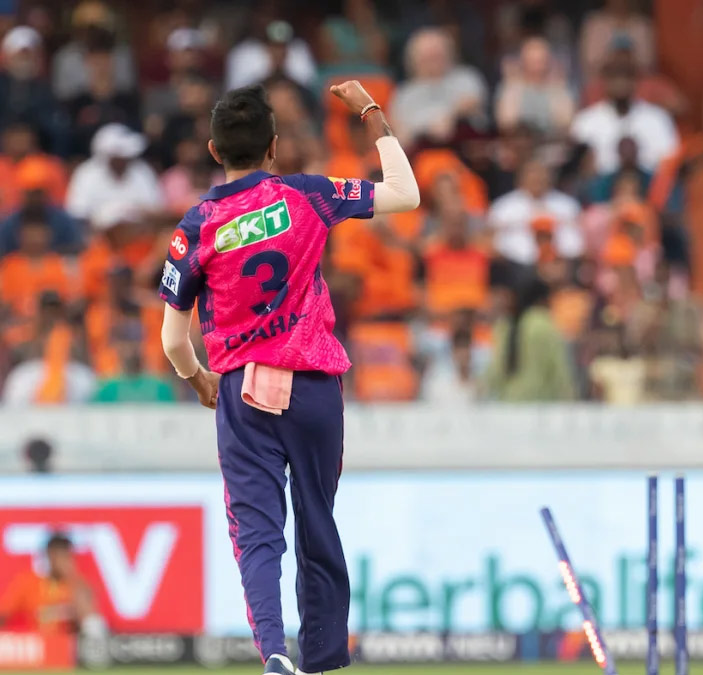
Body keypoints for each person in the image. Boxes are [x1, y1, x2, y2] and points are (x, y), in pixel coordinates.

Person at [157, 81, 419, 675]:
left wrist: (198, 380)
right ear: (273, 147)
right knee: (316, 521)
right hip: (315, 388)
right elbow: (406, 193)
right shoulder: (308, 194)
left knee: (257, 533)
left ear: (214, 150)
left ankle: (274, 653)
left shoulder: (197, 226)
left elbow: (173, 340)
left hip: (243, 393)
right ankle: (321, 659)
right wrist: (370, 111)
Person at [0, 533, 101, 635]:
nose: (65, 561)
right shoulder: (29, 582)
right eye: (61, 556)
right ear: (50, 556)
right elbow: (3, 613)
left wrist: (73, 577)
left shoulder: (75, 585)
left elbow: (90, 617)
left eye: (68, 556)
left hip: (67, 641)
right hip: (38, 641)